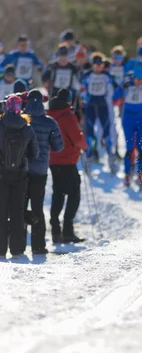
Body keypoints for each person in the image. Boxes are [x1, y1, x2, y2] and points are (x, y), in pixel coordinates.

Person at [24, 90, 64, 254]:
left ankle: (16, 244)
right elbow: (58, 146)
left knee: (20, 205)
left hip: (22, 169)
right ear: (43, 102)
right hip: (40, 170)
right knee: (37, 206)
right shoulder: (50, 123)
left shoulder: (23, 120)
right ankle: (38, 246)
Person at [0, 94, 39, 257]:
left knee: (1, 212)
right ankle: (17, 248)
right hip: (21, 175)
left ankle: (0, 248)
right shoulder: (27, 127)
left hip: (1, 175)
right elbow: (34, 153)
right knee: (18, 211)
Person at [47, 88, 88, 244]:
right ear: (69, 101)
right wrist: (85, 147)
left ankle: (55, 231)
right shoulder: (68, 116)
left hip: (53, 160)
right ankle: (68, 231)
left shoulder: (50, 115)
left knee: (57, 193)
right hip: (68, 161)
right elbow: (77, 138)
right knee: (74, 193)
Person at [114, 66, 142, 187]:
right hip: (128, 118)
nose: (139, 82)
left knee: (141, 148)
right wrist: (121, 87)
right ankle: (127, 175)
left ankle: (139, 175)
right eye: (137, 79)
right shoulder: (126, 82)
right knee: (130, 147)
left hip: (141, 118)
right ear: (133, 77)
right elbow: (115, 97)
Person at [80, 53, 117, 170]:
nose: (98, 67)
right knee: (89, 133)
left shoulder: (107, 76)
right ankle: (88, 156)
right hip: (90, 105)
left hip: (102, 105)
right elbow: (79, 86)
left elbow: (116, 87)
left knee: (106, 132)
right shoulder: (87, 75)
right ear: (92, 65)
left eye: (100, 65)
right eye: (96, 65)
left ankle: (111, 156)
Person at [42, 44, 82, 115]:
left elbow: (79, 79)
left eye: (64, 56)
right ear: (58, 57)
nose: (63, 59)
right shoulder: (53, 66)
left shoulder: (72, 67)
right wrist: (46, 84)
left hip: (67, 95)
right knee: (54, 114)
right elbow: (44, 77)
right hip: (54, 94)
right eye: (61, 56)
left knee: (67, 115)